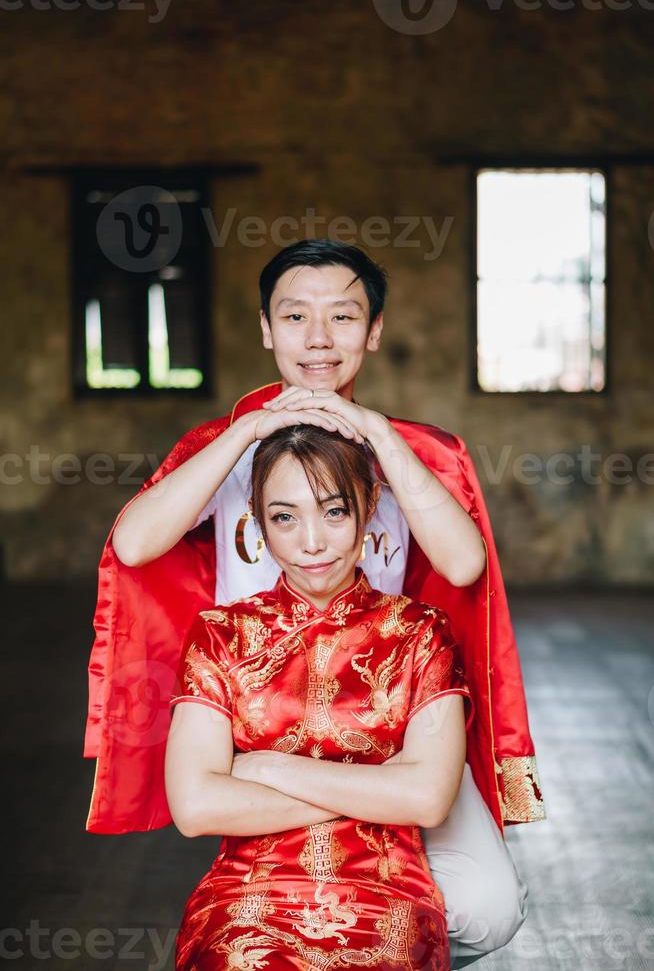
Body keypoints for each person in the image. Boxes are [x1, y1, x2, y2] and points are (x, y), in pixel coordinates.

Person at [83, 240, 545, 967]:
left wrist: (383, 439)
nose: (320, 339)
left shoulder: (414, 454)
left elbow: (462, 563)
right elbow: (136, 546)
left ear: (375, 330)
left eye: (344, 317)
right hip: (263, 719)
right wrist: (247, 430)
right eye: (296, 316)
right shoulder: (225, 452)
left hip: (390, 721)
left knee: (486, 910)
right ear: (266, 328)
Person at [165, 423, 475, 970]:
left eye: (334, 511)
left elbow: (427, 800)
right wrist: (382, 786)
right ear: (258, 522)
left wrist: (260, 768)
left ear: (370, 504)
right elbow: (194, 808)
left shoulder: (421, 632)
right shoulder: (220, 634)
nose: (311, 541)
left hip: (385, 894)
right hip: (247, 896)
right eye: (284, 517)